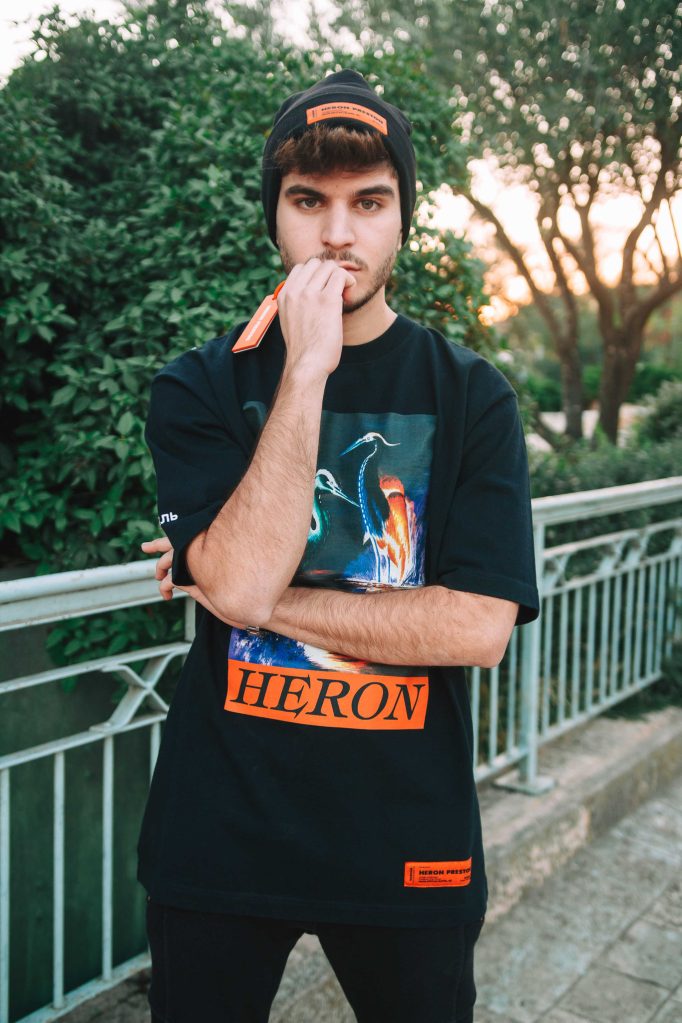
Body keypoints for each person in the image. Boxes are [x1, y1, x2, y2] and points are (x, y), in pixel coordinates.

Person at [138, 67, 540, 1023]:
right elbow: (238, 580)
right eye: (308, 201)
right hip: (221, 835)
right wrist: (308, 369)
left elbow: (479, 627)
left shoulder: (471, 394)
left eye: (369, 201)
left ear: (403, 218)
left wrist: (242, 590)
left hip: (408, 839)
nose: (337, 234)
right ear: (274, 219)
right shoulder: (200, 386)